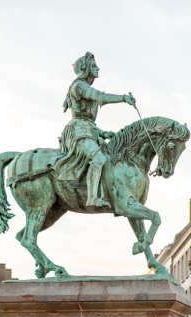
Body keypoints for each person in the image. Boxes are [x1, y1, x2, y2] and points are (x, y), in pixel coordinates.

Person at [49, 52, 136, 207]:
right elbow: (99, 98)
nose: (98, 69)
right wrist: (123, 98)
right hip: (77, 133)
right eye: (94, 66)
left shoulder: (82, 87)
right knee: (99, 159)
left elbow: (88, 120)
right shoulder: (79, 86)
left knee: (109, 156)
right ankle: (92, 198)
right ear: (86, 69)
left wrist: (102, 132)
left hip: (87, 130)